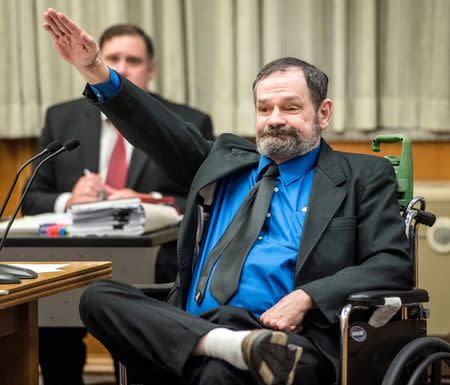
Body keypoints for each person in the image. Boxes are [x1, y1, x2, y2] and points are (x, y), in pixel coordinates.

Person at [42, 8, 414, 385]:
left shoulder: (361, 176)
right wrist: (96, 70)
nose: (274, 119)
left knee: (219, 374)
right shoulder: (225, 162)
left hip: (291, 342)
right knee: (98, 297)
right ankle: (224, 345)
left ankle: (229, 349)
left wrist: (308, 297)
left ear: (323, 113)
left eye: (291, 107)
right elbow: (157, 127)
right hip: (199, 324)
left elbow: (392, 264)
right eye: (264, 108)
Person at [25, 21, 213, 385]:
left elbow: (205, 198)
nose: (122, 68)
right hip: (69, 259)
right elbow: (31, 197)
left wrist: (148, 200)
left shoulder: (188, 121)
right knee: (51, 328)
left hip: (152, 260)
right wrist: (68, 199)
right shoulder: (61, 118)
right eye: (113, 58)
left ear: (151, 70)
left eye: (133, 60)